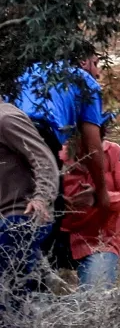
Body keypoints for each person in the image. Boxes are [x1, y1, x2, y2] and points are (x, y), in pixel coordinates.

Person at [15, 57, 110, 212]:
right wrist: (102, 192)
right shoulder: (84, 81)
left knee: (11, 206)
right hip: (42, 138)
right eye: (96, 64)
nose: (98, 73)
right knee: (43, 216)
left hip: (8, 134)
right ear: (83, 62)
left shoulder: (23, 73)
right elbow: (93, 146)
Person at [0, 95, 57, 302]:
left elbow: (43, 158)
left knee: (8, 299)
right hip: (7, 220)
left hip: (19, 217)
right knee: (15, 301)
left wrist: (42, 198)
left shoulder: (6, 118)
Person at [62, 134, 120, 289]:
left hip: (100, 240)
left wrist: (99, 197)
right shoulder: (59, 153)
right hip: (58, 236)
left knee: (95, 300)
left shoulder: (114, 152)